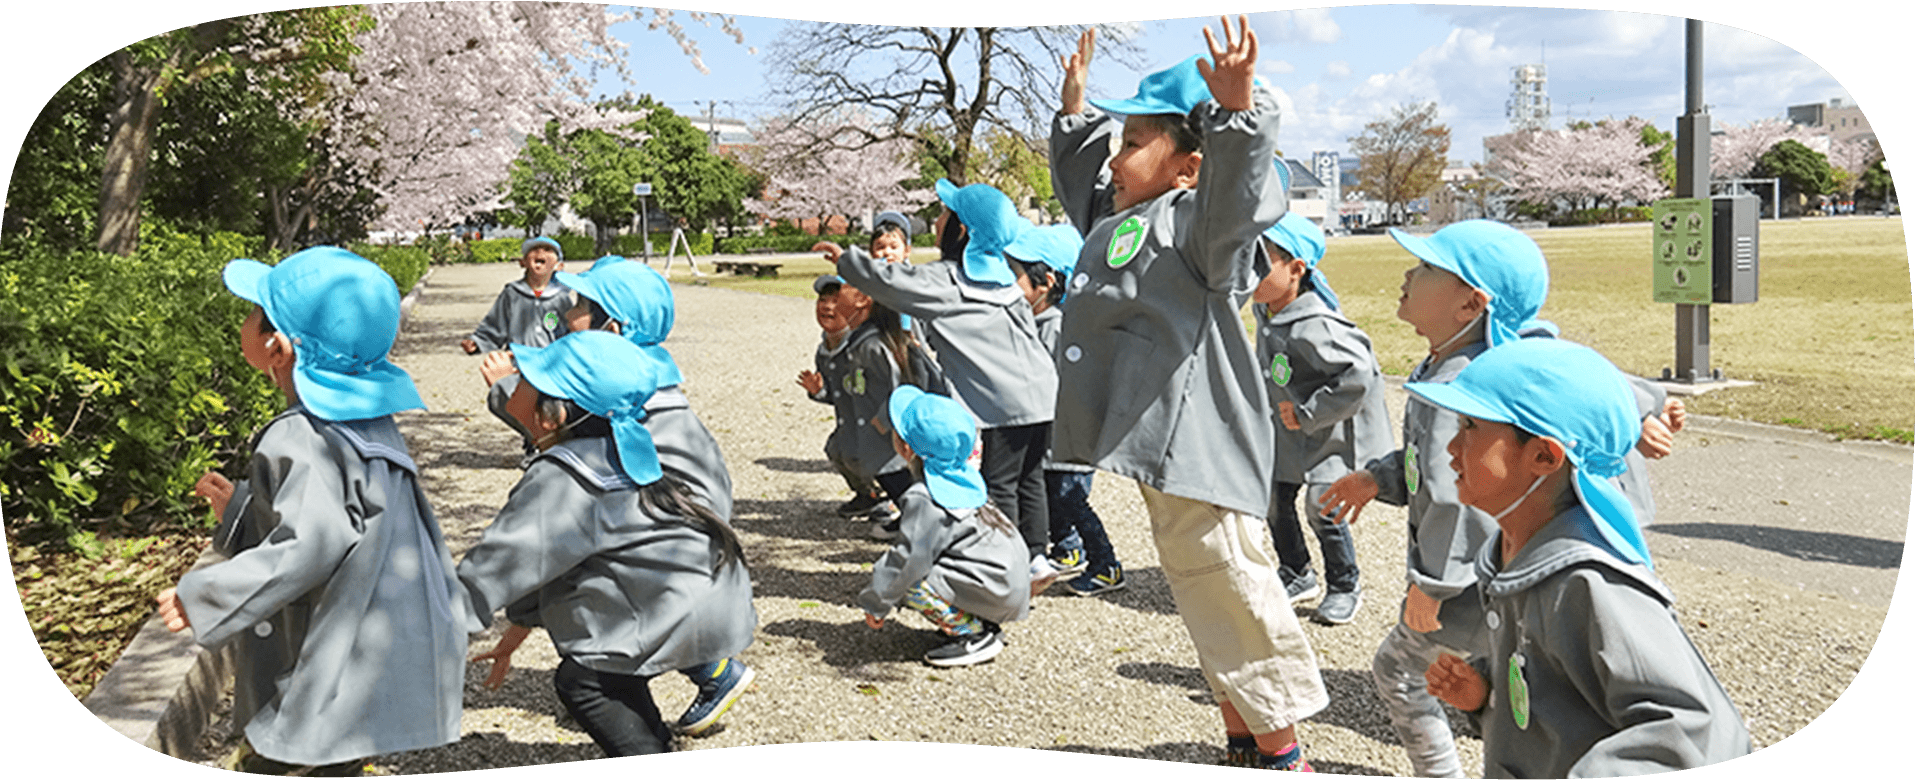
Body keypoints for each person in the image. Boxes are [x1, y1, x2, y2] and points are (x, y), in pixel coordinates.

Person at [1048, 19, 1325, 770]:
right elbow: (1087, 198)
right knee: (1202, 593)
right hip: (1170, 458)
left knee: (1234, 589)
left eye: (1134, 140)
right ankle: (1243, 739)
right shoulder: (1127, 220)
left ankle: (1282, 753)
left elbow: (1240, 197)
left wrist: (1239, 113)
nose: (1116, 155)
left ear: (1188, 167)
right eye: (1118, 138)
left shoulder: (1199, 231)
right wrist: (1076, 120)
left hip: (1201, 447)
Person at [154, 246, 470, 775]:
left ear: (276, 346)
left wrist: (204, 594)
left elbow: (312, 543)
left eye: (254, 312)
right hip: (360, 664)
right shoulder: (366, 422)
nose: (245, 321)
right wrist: (241, 510)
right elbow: (344, 518)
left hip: (318, 665)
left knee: (281, 762)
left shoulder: (301, 434)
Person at [1412, 338, 1752, 777]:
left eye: (1470, 427)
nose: (1452, 448)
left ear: (1543, 456)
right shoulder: (1512, 552)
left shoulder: (1590, 582)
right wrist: (1487, 693)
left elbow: (1692, 732)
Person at [482, 256, 756, 737]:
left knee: (588, 653)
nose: (568, 315)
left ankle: (671, 689)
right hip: (674, 560)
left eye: (581, 306)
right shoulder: (650, 385)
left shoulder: (626, 401)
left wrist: (508, 388)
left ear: (612, 327)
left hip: (661, 569)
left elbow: (554, 434)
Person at [1314, 218, 1547, 777]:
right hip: (1490, 577)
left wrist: (1433, 586)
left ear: (1470, 305)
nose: (1407, 274)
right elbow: (1431, 464)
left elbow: (1457, 499)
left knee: (1398, 671)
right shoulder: (1450, 363)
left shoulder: (1457, 386)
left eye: (1424, 269)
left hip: (1465, 581)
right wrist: (1380, 477)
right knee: (1507, 688)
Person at [821, 181, 1060, 595]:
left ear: (961, 230)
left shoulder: (949, 279)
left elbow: (896, 285)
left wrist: (850, 264)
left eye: (945, 214)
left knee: (998, 482)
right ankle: (1036, 557)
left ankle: (1002, 564)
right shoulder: (1002, 276)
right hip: (1043, 393)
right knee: (1029, 478)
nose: (937, 219)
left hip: (1003, 402)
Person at [1251, 211, 1392, 626]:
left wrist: (1310, 410)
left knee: (1322, 505)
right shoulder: (1270, 309)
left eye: (1260, 263)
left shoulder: (1317, 325)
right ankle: (1297, 572)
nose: (1247, 272)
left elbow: (1360, 375)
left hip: (1330, 431)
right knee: (1274, 498)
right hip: (1291, 430)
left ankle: (1345, 584)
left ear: (1296, 269)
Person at [859, 384, 1031, 667]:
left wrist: (877, 602)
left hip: (996, 587)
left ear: (905, 448)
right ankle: (976, 618)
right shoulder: (966, 477)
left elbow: (907, 559)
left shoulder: (924, 498)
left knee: (911, 582)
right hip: (1006, 581)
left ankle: (974, 634)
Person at [1005, 223, 1127, 596]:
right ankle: (1068, 550)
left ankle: (1106, 564)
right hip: (1052, 435)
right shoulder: (1036, 320)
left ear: (1046, 282)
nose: (1008, 285)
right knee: (1050, 492)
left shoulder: (1056, 326)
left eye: (1015, 276)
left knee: (1069, 496)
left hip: (1069, 435)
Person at [798, 274, 898, 525]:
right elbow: (840, 393)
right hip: (852, 424)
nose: (827, 306)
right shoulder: (826, 351)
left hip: (880, 424)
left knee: (885, 463)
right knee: (839, 449)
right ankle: (868, 494)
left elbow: (898, 384)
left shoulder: (868, 345)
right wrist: (819, 391)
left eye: (836, 300)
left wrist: (886, 419)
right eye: (822, 300)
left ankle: (894, 500)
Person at [464, 236, 575, 457]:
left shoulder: (562, 298)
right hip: (519, 362)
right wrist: (478, 341)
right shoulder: (512, 294)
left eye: (547, 251)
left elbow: (570, 329)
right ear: (523, 262)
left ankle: (551, 442)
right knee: (519, 400)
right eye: (533, 250)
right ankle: (531, 442)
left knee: (548, 404)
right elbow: (496, 322)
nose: (540, 254)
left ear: (559, 265)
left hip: (551, 362)